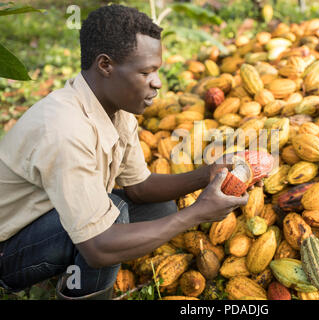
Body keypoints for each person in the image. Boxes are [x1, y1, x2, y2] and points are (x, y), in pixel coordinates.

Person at [0, 4, 249, 300]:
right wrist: (196, 214)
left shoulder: (116, 109)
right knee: (112, 220)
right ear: (105, 65)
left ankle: (69, 280)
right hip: (7, 250)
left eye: (157, 71)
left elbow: (140, 188)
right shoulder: (64, 128)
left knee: (159, 209)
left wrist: (206, 174)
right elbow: (98, 246)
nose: (157, 82)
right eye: (146, 72)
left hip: (48, 219)